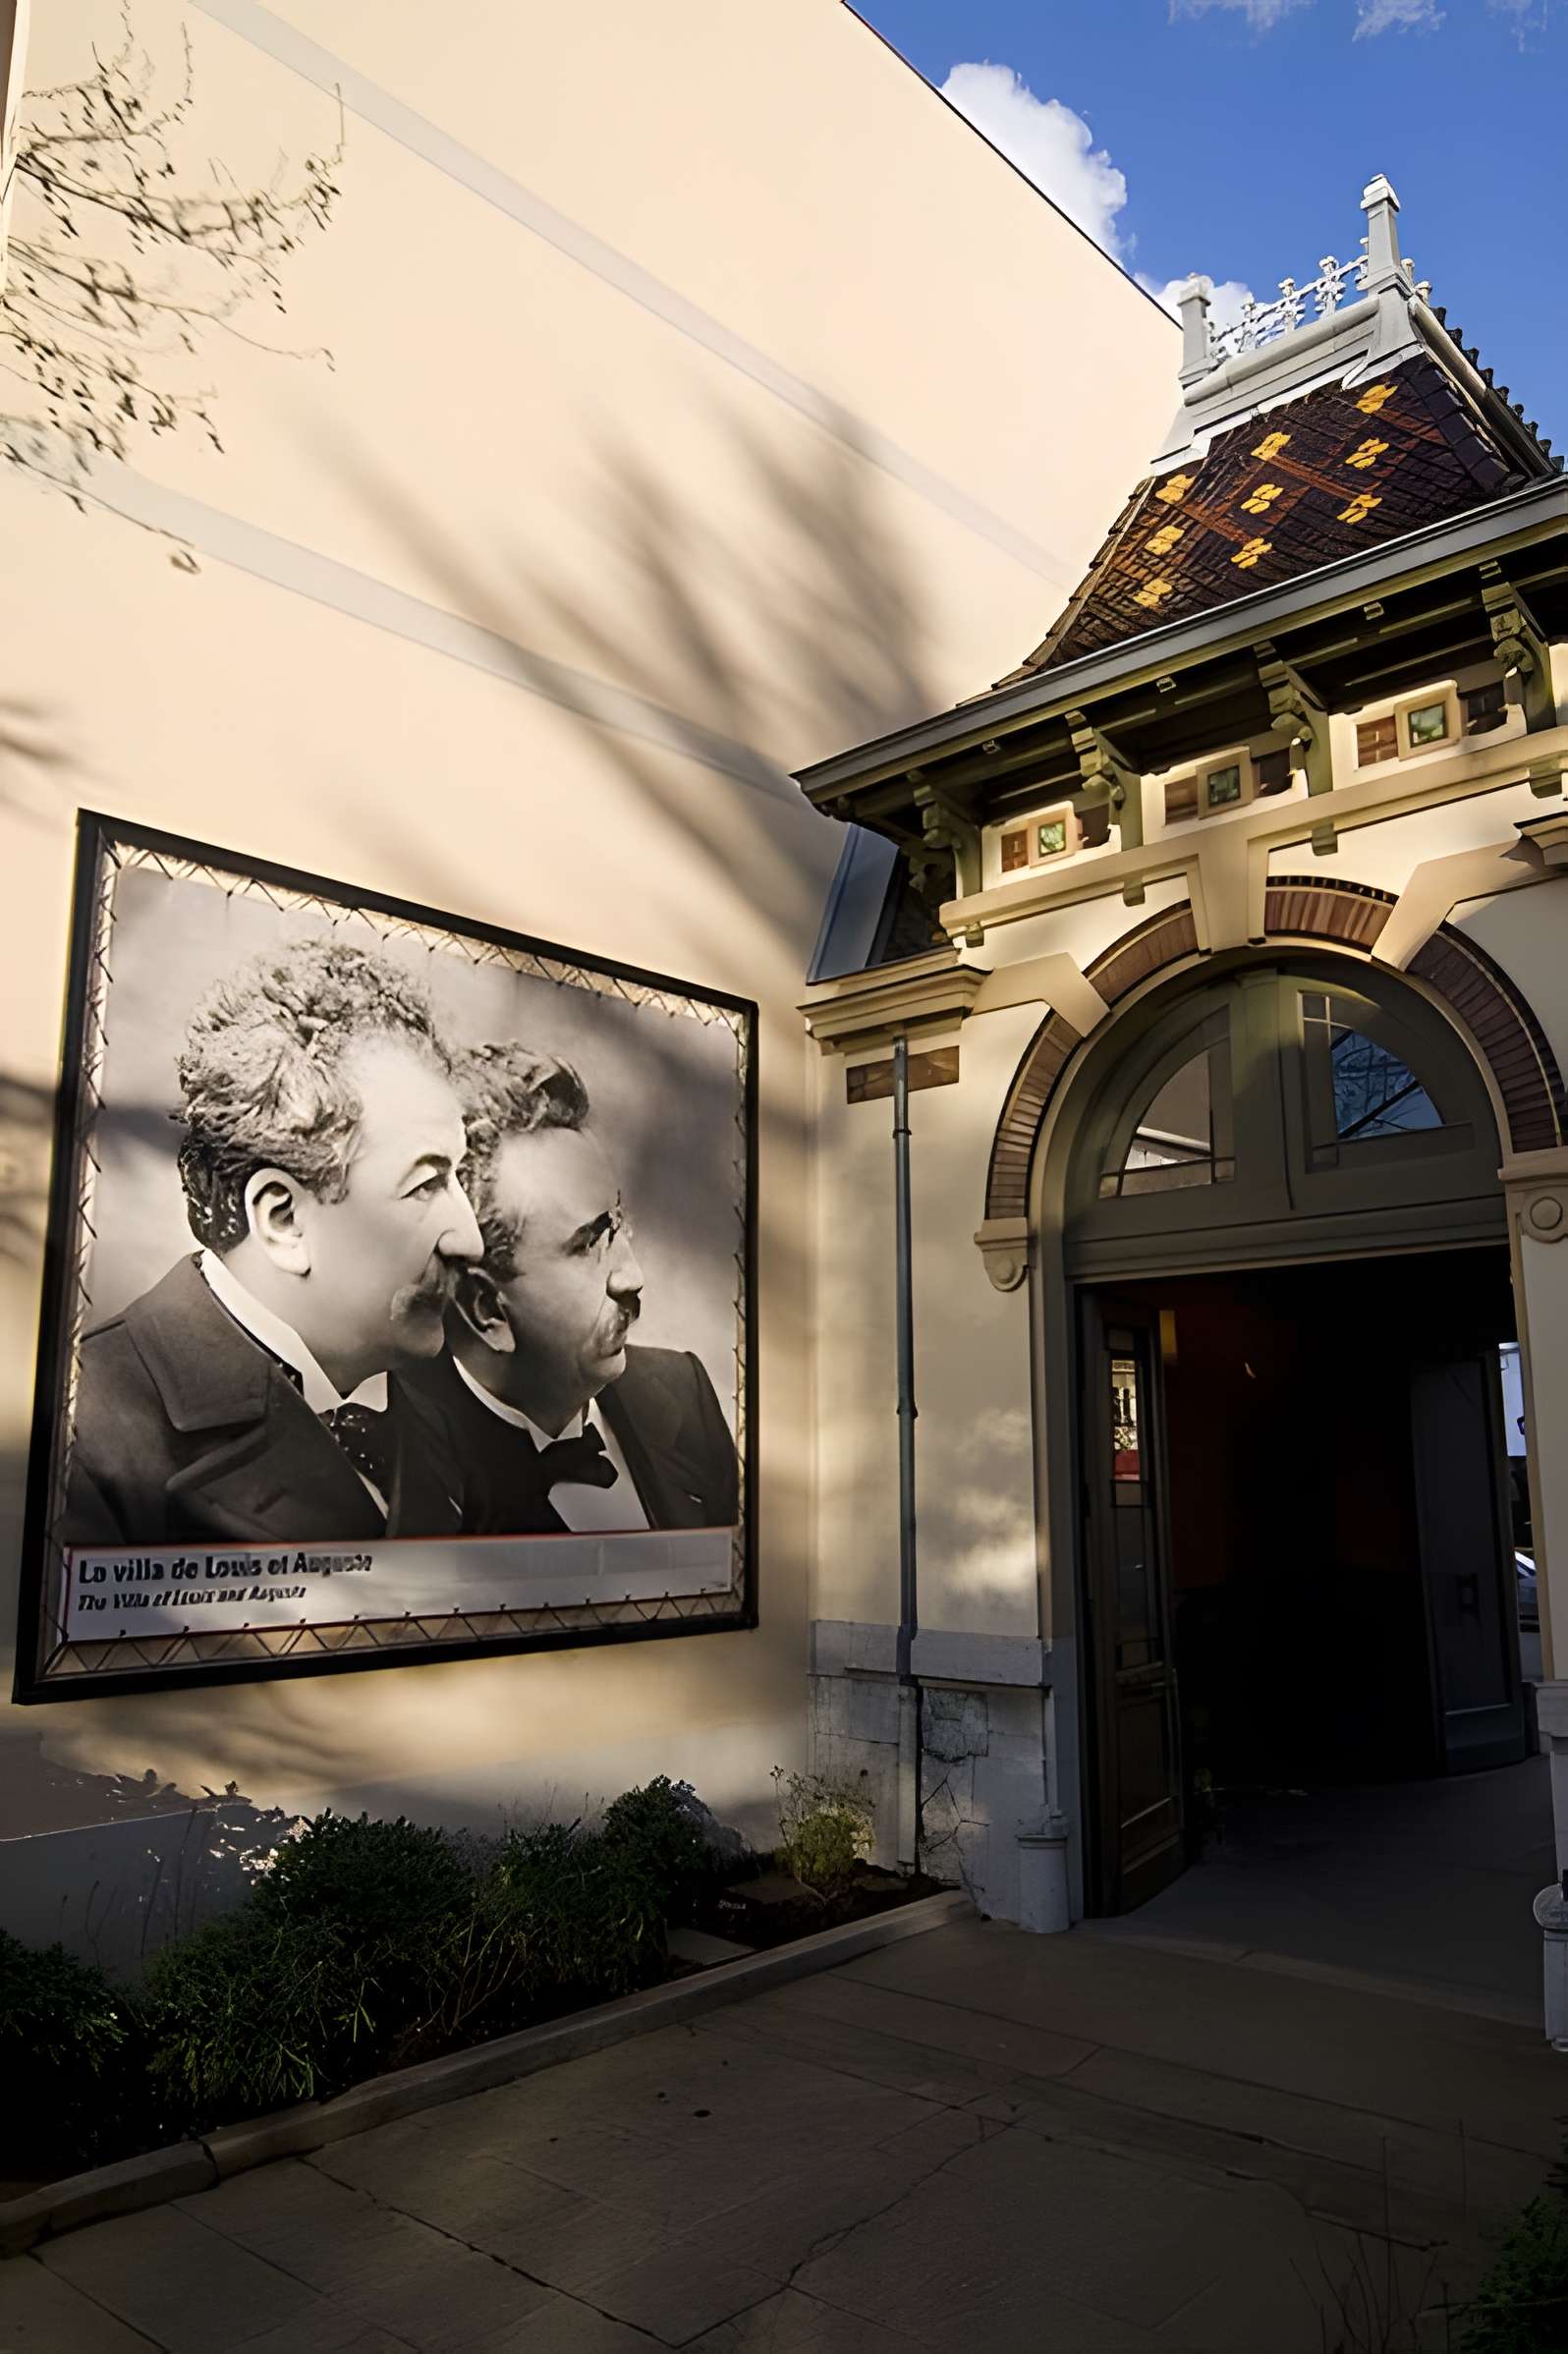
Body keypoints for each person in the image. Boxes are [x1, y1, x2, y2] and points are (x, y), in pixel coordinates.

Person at [61, 937, 484, 1547]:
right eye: (425, 1185)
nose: (470, 1239)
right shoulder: (86, 1435)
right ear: (283, 1220)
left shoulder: (449, 1414)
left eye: (459, 1178)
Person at [411, 1041, 739, 1535]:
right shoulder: (408, 1467)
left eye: (617, 1222)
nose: (632, 1276)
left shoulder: (682, 1392)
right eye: (588, 1244)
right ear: (485, 1309)